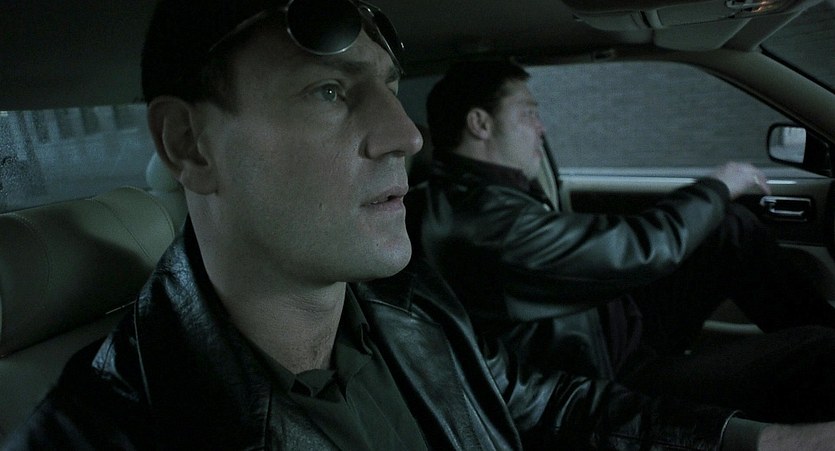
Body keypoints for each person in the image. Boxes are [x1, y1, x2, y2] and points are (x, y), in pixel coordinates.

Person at [3, 1, 834, 450]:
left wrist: (764, 442)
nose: (403, 134)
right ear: (190, 144)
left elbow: (545, 406)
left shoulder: (408, 308)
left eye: (390, 88)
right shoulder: (102, 433)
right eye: (330, 91)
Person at [406, 60, 835, 424]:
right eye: (528, 114)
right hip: (610, 376)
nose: (541, 128)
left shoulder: (487, 194)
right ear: (480, 124)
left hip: (614, 331)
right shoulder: (477, 219)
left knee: (726, 228)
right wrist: (719, 184)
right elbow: (633, 250)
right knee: (818, 351)